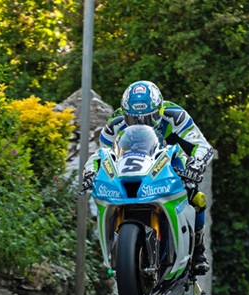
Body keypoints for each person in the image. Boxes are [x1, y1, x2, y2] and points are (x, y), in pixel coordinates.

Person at [83, 80, 214, 275]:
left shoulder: (175, 115)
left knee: (195, 195)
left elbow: (202, 144)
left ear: (159, 110)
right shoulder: (115, 123)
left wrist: (196, 164)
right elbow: (101, 155)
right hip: (130, 164)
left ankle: (198, 252)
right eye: (133, 119)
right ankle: (119, 249)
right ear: (125, 113)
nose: (140, 124)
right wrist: (90, 173)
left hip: (170, 158)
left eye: (148, 118)